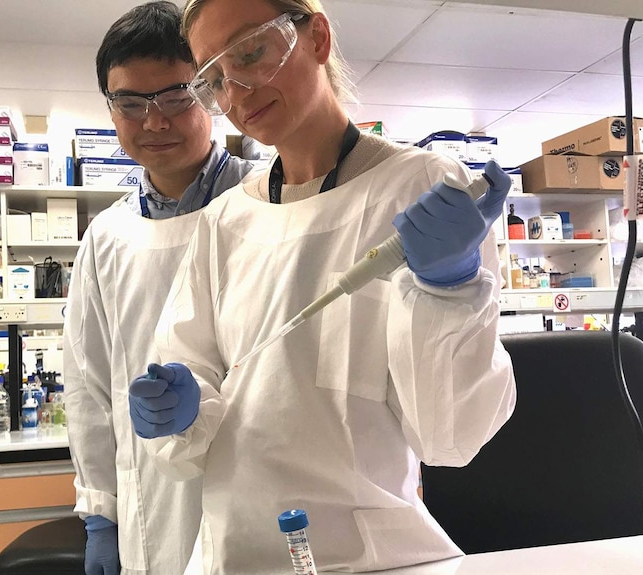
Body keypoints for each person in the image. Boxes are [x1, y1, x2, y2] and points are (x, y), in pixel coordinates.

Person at [127, 0, 517, 573]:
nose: (236, 95)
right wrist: (178, 412)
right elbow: (194, 376)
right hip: (234, 551)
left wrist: (451, 291)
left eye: (251, 53)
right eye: (214, 79)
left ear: (316, 38)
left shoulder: (423, 189)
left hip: (372, 555)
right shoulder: (225, 221)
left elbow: (451, 437)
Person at [63, 2, 254, 574]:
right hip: (149, 498)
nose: (154, 122)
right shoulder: (107, 237)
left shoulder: (272, 203)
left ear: (213, 93)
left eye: (176, 96)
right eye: (130, 103)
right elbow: (88, 382)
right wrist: (100, 510)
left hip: (257, 482)